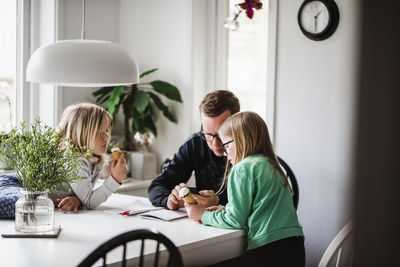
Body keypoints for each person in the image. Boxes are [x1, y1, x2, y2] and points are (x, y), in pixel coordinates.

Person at [185, 112, 305, 267]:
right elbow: (258, 209)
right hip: (294, 245)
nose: (226, 154)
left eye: (226, 146)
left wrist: (203, 214)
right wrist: (223, 210)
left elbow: (235, 221)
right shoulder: (271, 165)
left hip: (268, 250)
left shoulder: (242, 168)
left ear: (240, 141)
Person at [148, 90, 240, 210]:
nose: (214, 143)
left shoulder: (251, 151)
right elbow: (157, 186)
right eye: (207, 134)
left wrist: (217, 202)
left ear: (237, 124)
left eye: (220, 135)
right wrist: (169, 200)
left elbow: (252, 205)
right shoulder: (196, 143)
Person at [54, 103, 128, 213]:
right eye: (99, 132)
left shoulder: (96, 159)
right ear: (80, 134)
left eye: (107, 131)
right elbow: (89, 201)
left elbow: (87, 195)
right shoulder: (75, 161)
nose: (107, 137)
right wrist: (115, 179)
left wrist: (79, 200)